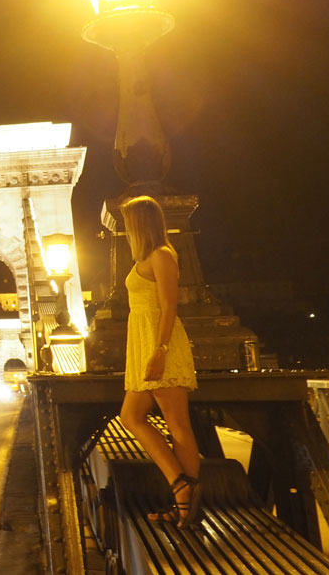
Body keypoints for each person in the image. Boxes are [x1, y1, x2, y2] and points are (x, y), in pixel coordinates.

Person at [117, 194, 202, 527]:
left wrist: (160, 351)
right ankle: (182, 488)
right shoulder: (146, 257)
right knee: (131, 416)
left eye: (128, 222)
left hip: (160, 346)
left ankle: (186, 500)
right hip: (144, 346)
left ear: (140, 223)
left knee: (177, 423)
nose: (125, 229)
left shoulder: (162, 255)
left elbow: (169, 307)